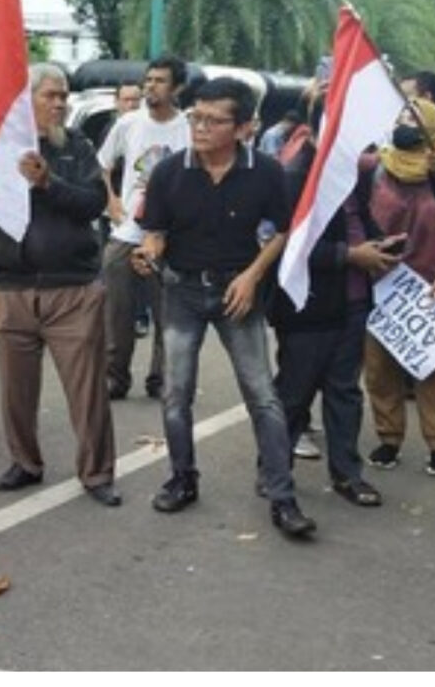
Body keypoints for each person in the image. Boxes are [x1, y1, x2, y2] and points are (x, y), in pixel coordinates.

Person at [134, 77, 316, 537]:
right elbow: (155, 232)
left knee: (263, 396)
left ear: (243, 128)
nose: (200, 127)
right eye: (196, 117)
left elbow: (282, 231)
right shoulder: (169, 172)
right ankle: (182, 478)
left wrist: (252, 276)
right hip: (182, 292)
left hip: (239, 293)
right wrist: (148, 252)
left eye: (214, 121)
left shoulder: (267, 172)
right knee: (176, 393)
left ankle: (282, 495)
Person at [0, 63, 121, 507]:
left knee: (87, 390)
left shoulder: (77, 146)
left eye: (63, 95)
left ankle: (97, 472)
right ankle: (24, 463)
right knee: (16, 390)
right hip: (10, 288)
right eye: (51, 95)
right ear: (24, 101)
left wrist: (48, 182)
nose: (60, 103)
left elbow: (92, 202)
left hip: (71, 289)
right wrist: (1, 181)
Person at [269, 113, 401, 507]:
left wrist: (383, 243)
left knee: (345, 393)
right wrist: (350, 255)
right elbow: (288, 248)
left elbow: (361, 223)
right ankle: (273, 471)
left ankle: (347, 474)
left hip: (353, 303)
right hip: (308, 307)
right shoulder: (296, 177)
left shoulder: (351, 173)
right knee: (294, 393)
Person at [97, 56, 190, 400]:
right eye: (148, 80)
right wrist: (111, 201)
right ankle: (114, 376)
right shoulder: (128, 123)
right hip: (127, 233)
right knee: (116, 313)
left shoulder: (187, 128)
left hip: (171, 237)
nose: (151, 86)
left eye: (160, 81)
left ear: (177, 87)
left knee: (168, 315)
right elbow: (102, 165)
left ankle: (162, 379)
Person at [363, 97, 435, 475]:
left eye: (414, 117)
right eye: (402, 116)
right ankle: (389, 439)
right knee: (379, 371)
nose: (405, 122)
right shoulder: (375, 167)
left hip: (430, 289)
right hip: (381, 286)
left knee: (433, 372)